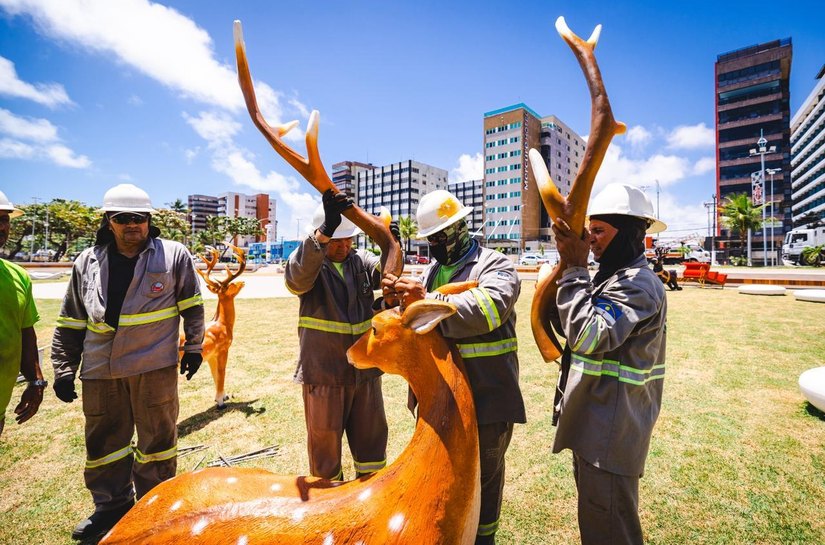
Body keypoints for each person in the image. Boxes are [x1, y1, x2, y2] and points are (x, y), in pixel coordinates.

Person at [51, 183, 205, 541]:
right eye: (123, 218)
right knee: (104, 443)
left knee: (157, 442)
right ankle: (111, 508)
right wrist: (62, 368)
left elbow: (192, 306)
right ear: (109, 221)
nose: (132, 225)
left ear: (150, 220)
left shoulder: (173, 255)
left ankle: (156, 506)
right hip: (100, 369)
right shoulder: (86, 262)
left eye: (139, 218)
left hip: (153, 366)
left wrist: (194, 347)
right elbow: (71, 320)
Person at [383, 189, 525, 545]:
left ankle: (483, 539)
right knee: (440, 478)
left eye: (443, 234)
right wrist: (397, 303)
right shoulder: (431, 272)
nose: (437, 243)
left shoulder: (496, 265)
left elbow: (488, 309)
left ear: (464, 226)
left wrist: (427, 301)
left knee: (483, 481)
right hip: (439, 399)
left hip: (485, 400)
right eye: (432, 238)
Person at [550, 183, 668, 545]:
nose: (592, 239)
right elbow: (571, 328)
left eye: (599, 231)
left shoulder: (638, 285)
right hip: (596, 421)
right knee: (597, 522)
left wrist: (574, 268)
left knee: (610, 529)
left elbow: (588, 336)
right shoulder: (612, 278)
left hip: (611, 431)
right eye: (590, 231)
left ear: (631, 234)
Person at [284, 189, 389, 481]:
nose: (345, 245)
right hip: (324, 375)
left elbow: (386, 274)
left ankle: (371, 502)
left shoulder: (360, 261)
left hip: (365, 372)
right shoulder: (308, 261)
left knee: (372, 448)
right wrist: (322, 235)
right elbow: (295, 280)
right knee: (325, 454)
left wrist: (391, 244)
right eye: (337, 239)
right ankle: (330, 507)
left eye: (349, 239)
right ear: (325, 235)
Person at [0, 189, 46, 439]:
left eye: (4, 219)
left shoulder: (17, 276)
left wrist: (35, 381)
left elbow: (25, 332)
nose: (1, 227)